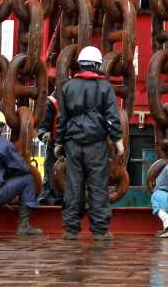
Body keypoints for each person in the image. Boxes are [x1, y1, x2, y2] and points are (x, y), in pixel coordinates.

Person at [59, 45, 123, 241]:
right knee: (97, 186)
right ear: (97, 65)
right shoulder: (104, 87)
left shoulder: (68, 87)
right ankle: (100, 231)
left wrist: (59, 142)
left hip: (73, 144)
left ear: (79, 64)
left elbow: (62, 119)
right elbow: (112, 117)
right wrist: (117, 140)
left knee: (73, 186)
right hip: (96, 145)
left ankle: (71, 230)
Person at [37, 89, 61, 204]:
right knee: (51, 178)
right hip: (54, 147)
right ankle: (49, 199)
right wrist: (43, 134)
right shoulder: (51, 102)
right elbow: (42, 126)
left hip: (72, 147)